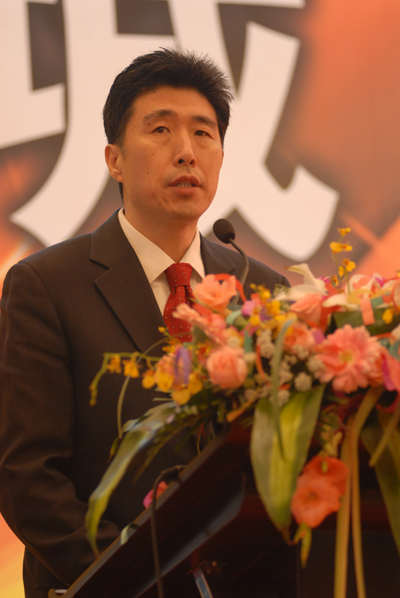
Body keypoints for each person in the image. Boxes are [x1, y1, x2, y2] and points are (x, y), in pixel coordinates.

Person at [0, 48, 289, 598]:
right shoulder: (46, 286)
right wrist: (141, 579)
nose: (186, 151)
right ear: (114, 159)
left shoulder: (264, 292)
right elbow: (27, 477)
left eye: (203, 134)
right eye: (160, 130)